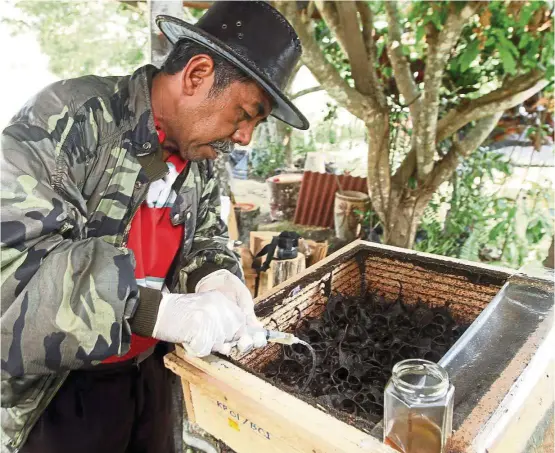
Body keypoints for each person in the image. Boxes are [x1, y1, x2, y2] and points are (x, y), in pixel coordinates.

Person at [0, 2, 309, 452]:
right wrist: (151, 310)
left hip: (151, 375)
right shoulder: (67, 121)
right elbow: (13, 273)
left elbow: (206, 236)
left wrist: (215, 276)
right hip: (63, 392)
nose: (245, 138)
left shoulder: (201, 154)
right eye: (245, 114)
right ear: (197, 74)